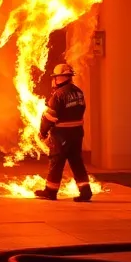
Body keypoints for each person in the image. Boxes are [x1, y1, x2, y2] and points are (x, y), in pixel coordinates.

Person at [36, 63, 92, 202]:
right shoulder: (79, 92)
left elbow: (49, 117)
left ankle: (51, 191)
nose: (53, 80)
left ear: (59, 78)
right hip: (77, 133)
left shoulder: (58, 95)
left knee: (56, 162)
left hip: (62, 135)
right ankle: (85, 191)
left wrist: (43, 132)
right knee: (77, 162)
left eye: (55, 77)